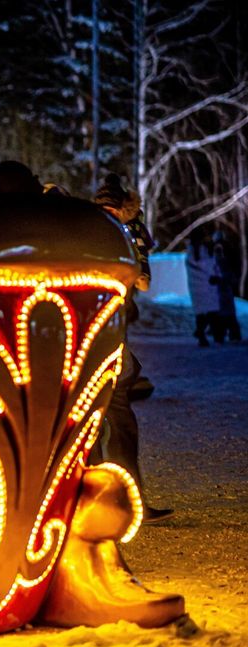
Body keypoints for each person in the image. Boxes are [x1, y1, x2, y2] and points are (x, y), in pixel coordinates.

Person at [91, 173, 173, 523]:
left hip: (101, 335)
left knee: (104, 418)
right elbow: (137, 276)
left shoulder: (109, 232)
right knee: (108, 418)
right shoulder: (103, 233)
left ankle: (117, 499)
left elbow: (139, 273)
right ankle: (117, 500)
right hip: (97, 338)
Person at [185, 226, 221, 347]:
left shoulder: (203, 249)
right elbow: (204, 265)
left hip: (207, 285)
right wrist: (212, 275)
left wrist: (216, 275)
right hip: (201, 285)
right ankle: (204, 335)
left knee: (208, 311)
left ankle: (207, 334)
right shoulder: (193, 250)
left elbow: (213, 264)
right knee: (205, 312)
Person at [212, 230, 242, 343]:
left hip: (223, 281)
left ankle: (223, 333)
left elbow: (219, 263)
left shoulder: (219, 248)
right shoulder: (229, 247)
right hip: (227, 280)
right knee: (228, 309)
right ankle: (232, 333)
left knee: (223, 309)